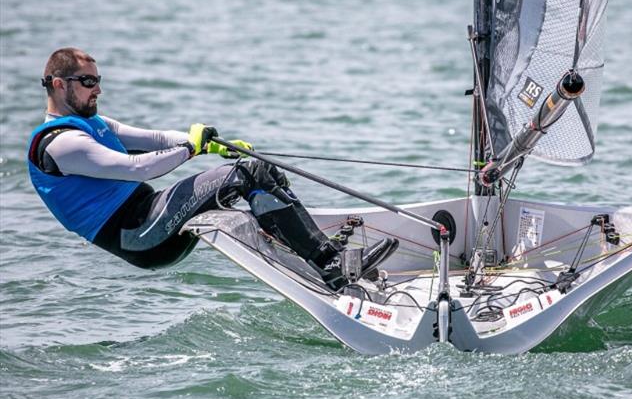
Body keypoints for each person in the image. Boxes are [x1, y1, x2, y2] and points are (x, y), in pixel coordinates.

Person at [27, 48, 397, 291]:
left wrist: (211, 143)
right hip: (139, 235)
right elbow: (135, 168)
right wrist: (192, 148)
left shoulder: (92, 123)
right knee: (248, 174)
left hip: (152, 218)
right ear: (59, 85)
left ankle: (321, 256)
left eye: (99, 81)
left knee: (258, 173)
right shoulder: (61, 144)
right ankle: (329, 264)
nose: (98, 90)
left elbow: (155, 138)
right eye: (89, 82)